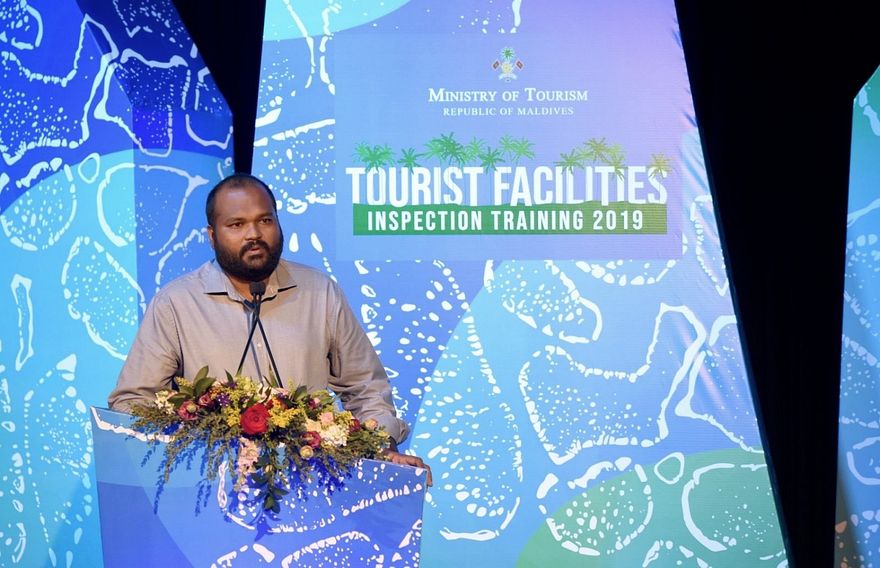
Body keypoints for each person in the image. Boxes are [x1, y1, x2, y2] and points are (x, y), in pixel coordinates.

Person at [109, 173, 430, 480]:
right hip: (208, 487)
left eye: (265, 220)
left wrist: (381, 447)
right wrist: (187, 447)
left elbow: (365, 387)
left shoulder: (320, 293)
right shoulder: (176, 303)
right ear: (212, 235)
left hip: (312, 484)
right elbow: (132, 402)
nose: (254, 234)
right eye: (236, 224)